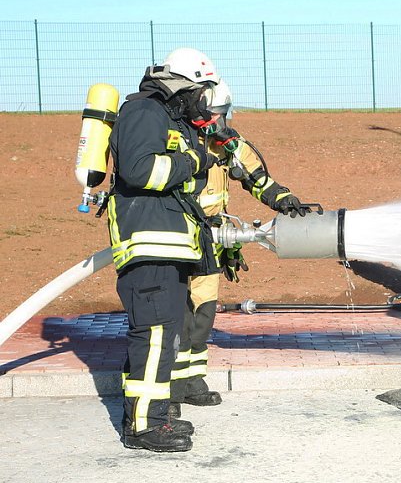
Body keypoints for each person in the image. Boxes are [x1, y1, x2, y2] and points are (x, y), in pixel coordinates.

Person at [168, 79, 308, 419]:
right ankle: (166, 390)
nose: (219, 120)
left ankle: (191, 381)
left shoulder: (226, 144)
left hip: (213, 237)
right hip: (175, 233)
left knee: (203, 311)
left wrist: (283, 199)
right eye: (215, 113)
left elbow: (256, 177)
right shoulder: (173, 139)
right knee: (172, 314)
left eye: (223, 114)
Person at [107, 47, 222, 452]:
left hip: (168, 248)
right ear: (185, 84)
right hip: (149, 247)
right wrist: (192, 161)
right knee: (154, 333)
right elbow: (140, 170)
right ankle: (143, 426)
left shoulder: (170, 116)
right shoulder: (145, 112)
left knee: (160, 333)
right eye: (202, 89)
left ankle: (153, 413)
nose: (205, 98)